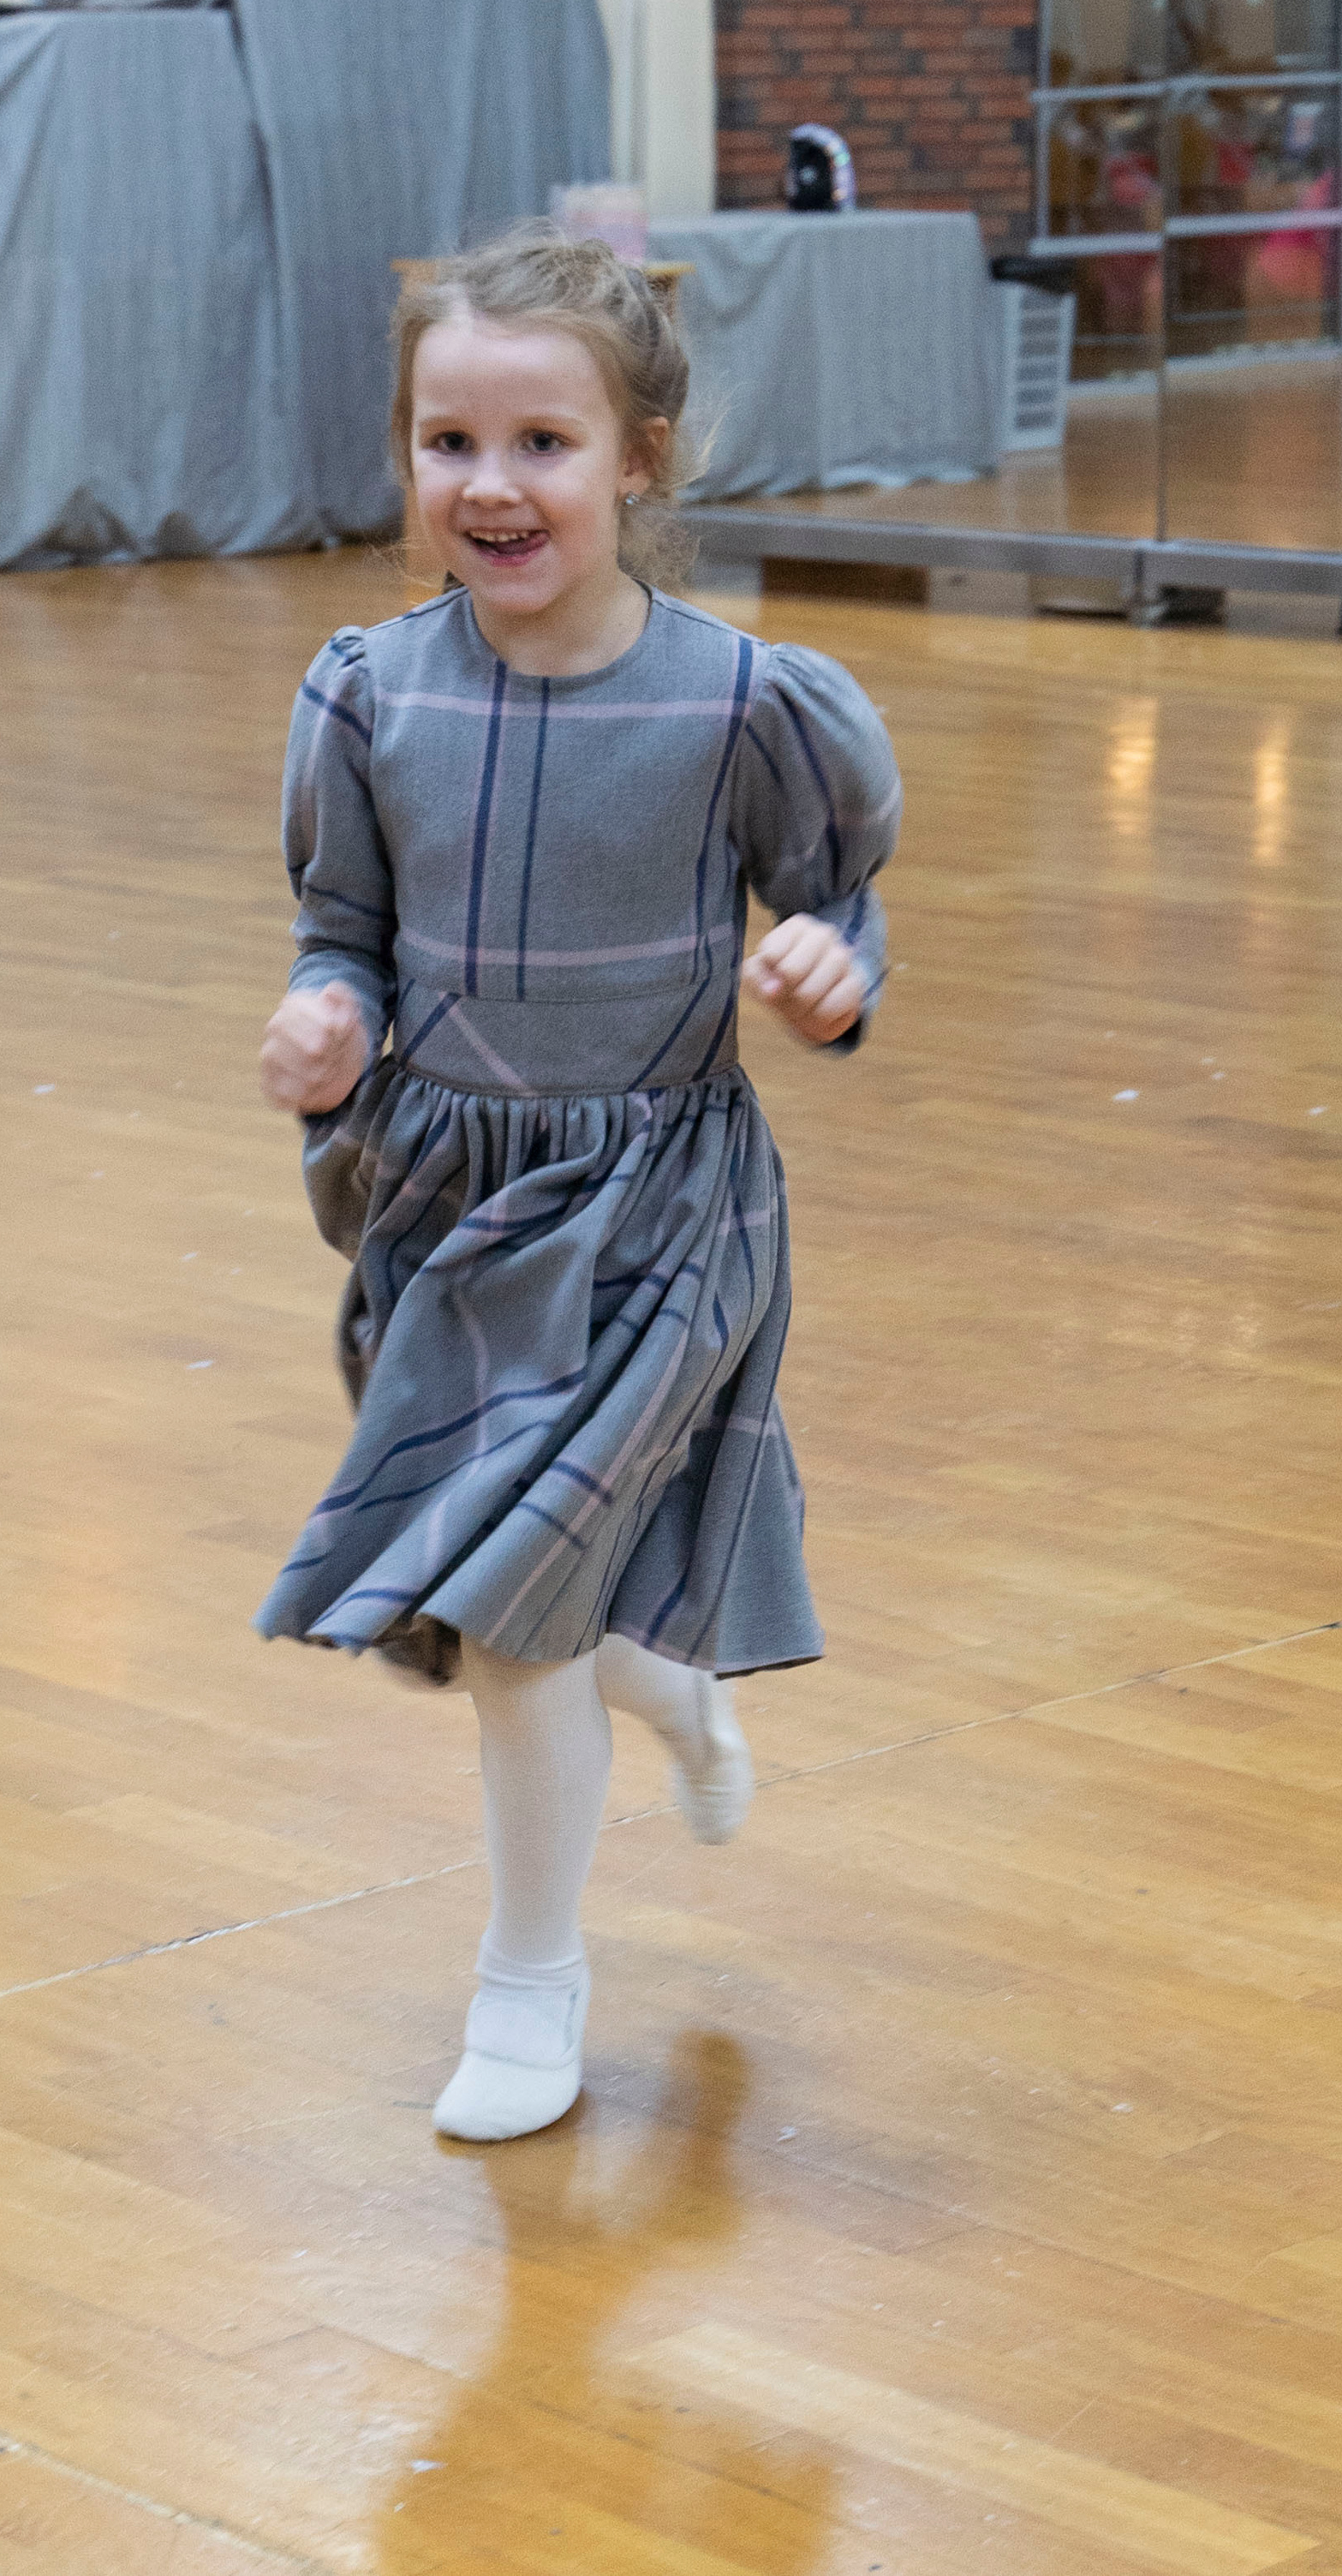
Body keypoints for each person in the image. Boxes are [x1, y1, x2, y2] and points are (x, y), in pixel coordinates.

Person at [255, 228, 901, 2143]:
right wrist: (320, 1018)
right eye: (446, 442)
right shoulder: (370, 694)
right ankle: (670, 1687)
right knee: (512, 1604)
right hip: (443, 1209)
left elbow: (832, 899)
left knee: (508, 1622)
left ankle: (528, 1984)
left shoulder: (738, 703)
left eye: (541, 441)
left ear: (639, 457)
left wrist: (825, 972)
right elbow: (340, 929)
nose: (489, 484)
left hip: (659, 1215)